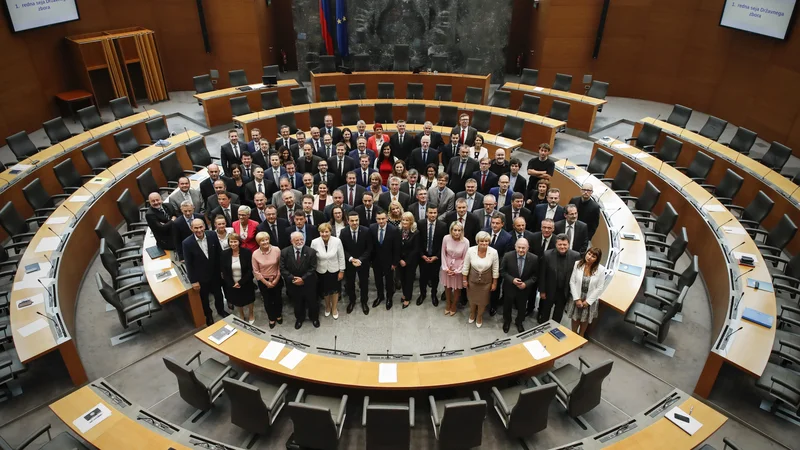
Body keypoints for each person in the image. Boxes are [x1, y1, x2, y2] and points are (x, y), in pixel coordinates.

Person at [183, 218, 227, 325]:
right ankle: (209, 315)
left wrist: (222, 270)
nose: (199, 230)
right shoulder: (187, 243)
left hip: (215, 273)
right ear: (191, 228)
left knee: (218, 294)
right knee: (204, 299)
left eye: (200, 227)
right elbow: (189, 264)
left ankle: (221, 310)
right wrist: (193, 281)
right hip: (201, 277)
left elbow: (219, 253)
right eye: (196, 228)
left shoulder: (212, 235)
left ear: (204, 226)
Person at [538, 234, 580, 324]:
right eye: (560, 244)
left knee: (558, 314)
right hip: (549, 290)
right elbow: (542, 274)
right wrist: (542, 291)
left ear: (568, 244)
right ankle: (542, 329)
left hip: (564, 292)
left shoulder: (575, 256)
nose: (562, 247)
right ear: (556, 244)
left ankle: (553, 329)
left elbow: (577, 275)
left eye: (564, 245)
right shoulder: (547, 254)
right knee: (545, 312)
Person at [280, 232, 319, 329]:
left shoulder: (311, 252)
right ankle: (299, 319)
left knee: (312, 302)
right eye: (296, 240)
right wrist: (293, 278)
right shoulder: (284, 252)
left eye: (301, 239)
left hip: (309, 283)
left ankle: (314, 318)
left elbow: (313, 268)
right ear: (291, 241)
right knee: (297, 302)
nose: (299, 242)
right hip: (293, 284)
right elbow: (282, 268)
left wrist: (303, 279)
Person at [566, 247, 606, 336]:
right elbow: (572, 282)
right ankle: (573, 334)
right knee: (575, 317)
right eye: (589, 254)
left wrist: (588, 302)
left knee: (585, 319)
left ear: (597, 259)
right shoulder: (578, 264)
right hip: (577, 296)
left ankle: (581, 335)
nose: (589, 257)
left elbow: (599, 287)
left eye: (593, 256)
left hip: (589, 298)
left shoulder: (601, 270)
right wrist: (576, 299)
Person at [463, 231, 499, 327]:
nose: (484, 243)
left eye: (486, 241)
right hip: (472, 282)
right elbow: (466, 266)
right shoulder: (470, 250)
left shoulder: (494, 252)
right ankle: (472, 313)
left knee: (483, 301)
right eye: (482, 241)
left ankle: (479, 316)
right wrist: (464, 280)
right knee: (472, 299)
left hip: (486, 283)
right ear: (477, 241)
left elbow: (495, 269)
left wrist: (494, 283)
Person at [501, 238, 538, 333]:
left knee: (522, 307)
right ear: (515, 247)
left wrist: (526, 284)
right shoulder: (507, 256)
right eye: (519, 247)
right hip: (510, 287)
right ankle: (507, 321)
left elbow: (535, 275)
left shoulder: (534, 258)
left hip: (524, 289)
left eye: (523, 248)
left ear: (528, 248)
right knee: (507, 305)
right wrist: (512, 280)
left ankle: (519, 322)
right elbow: (502, 271)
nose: (521, 250)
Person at [340, 211, 373, 315]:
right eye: (352, 221)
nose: (355, 223)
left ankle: (364, 302)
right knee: (350, 283)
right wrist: (351, 259)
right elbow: (342, 249)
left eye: (356, 220)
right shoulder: (343, 232)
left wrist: (360, 260)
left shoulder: (366, 231)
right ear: (348, 221)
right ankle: (352, 301)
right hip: (350, 263)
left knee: (364, 283)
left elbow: (369, 248)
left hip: (363, 263)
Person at [311, 223, 345, 319]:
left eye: (326, 231)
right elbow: (312, 258)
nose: (324, 234)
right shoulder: (314, 242)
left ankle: (334, 308)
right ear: (319, 232)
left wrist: (342, 271)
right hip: (321, 270)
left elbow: (341, 256)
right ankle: (327, 307)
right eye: (322, 232)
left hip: (334, 270)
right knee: (325, 291)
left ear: (330, 232)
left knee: (334, 291)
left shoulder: (337, 241)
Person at [221, 233, 255, 323]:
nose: (233, 244)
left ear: (239, 242)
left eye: (235, 241)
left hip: (245, 281)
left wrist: (240, 282)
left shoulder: (247, 252)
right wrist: (233, 284)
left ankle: (251, 314)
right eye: (231, 242)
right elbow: (224, 271)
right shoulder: (224, 254)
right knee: (238, 300)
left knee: (249, 298)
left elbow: (250, 270)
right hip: (232, 283)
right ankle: (242, 315)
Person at [417, 206, 448, 306]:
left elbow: (444, 244)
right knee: (423, 277)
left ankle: (433, 295)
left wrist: (437, 256)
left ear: (437, 213)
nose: (433, 215)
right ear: (427, 213)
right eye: (430, 213)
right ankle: (422, 294)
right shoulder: (420, 224)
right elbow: (418, 241)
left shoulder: (443, 226)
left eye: (434, 213)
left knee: (435, 278)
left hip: (436, 257)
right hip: (423, 257)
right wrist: (422, 255)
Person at [370, 212, 400, 310]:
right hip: (376, 261)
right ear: (376, 219)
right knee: (378, 280)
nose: (381, 221)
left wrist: (395, 263)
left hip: (389, 261)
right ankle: (380, 296)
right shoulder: (372, 228)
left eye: (383, 218)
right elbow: (370, 246)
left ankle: (389, 298)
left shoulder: (394, 230)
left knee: (389, 281)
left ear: (387, 218)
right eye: (379, 219)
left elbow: (397, 248)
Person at [252, 232, 283, 328]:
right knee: (267, 301)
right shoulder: (255, 254)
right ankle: (271, 318)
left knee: (278, 298)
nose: (265, 242)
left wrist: (276, 279)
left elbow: (280, 265)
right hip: (263, 281)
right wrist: (266, 283)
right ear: (258, 242)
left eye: (266, 239)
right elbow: (256, 271)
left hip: (276, 278)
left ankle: (278, 315)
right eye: (262, 240)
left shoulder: (276, 250)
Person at [440, 221, 469, 315]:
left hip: (458, 267)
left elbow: (465, 258)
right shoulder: (446, 238)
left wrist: (457, 271)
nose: (457, 232)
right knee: (447, 287)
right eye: (455, 230)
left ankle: (454, 305)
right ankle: (448, 303)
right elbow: (443, 253)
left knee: (457, 289)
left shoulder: (465, 241)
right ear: (451, 230)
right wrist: (445, 268)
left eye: (459, 230)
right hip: (447, 266)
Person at [397, 212, 419, 309]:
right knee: (402, 278)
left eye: (407, 220)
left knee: (409, 279)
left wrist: (406, 261)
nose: (404, 222)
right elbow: (395, 246)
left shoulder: (416, 232)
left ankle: (408, 298)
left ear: (411, 221)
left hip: (410, 261)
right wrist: (400, 259)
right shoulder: (398, 230)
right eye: (403, 220)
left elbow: (416, 249)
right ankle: (404, 293)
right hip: (400, 260)